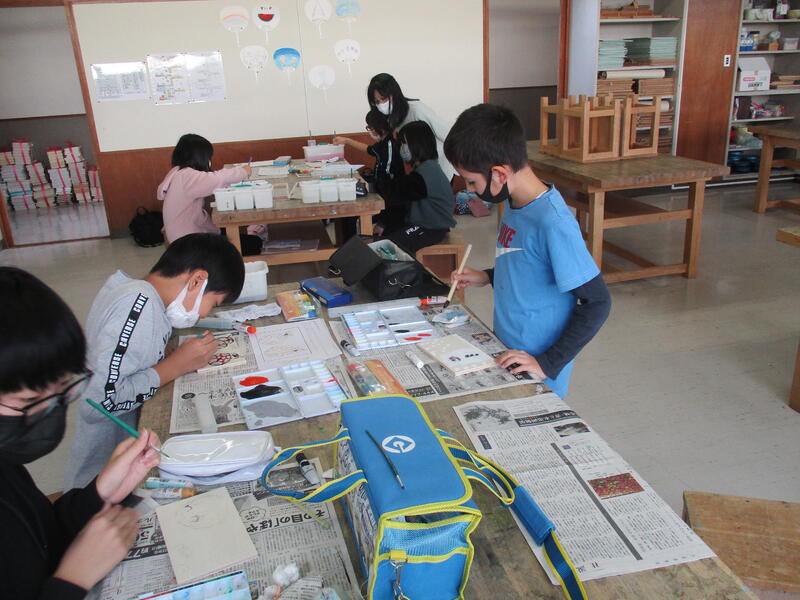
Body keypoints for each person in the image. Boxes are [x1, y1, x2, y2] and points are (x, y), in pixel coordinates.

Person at [0, 266, 161, 599]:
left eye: (63, 391)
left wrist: (99, 493)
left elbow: (40, 537)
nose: (51, 412)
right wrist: (72, 579)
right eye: (29, 402)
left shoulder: (7, 466)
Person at [444, 104, 611, 398]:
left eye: (471, 181)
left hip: (537, 366)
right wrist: (487, 276)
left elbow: (597, 301)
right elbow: (527, 263)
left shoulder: (553, 223)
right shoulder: (513, 202)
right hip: (507, 350)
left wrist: (547, 362)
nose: (469, 189)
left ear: (499, 173)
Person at [65, 233, 245, 489]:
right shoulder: (138, 305)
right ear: (197, 280)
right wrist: (175, 366)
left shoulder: (138, 293)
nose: (205, 314)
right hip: (104, 482)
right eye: (213, 303)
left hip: (124, 461)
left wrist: (164, 355)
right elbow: (98, 404)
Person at [158, 133, 262, 255]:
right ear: (201, 157)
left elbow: (211, 182)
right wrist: (244, 171)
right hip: (190, 244)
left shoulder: (177, 172)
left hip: (183, 237)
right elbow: (218, 178)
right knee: (254, 243)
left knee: (238, 236)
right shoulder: (187, 176)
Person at [378, 120, 455, 253]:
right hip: (426, 225)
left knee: (385, 248)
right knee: (386, 235)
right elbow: (401, 198)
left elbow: (394, 192)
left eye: (404, 143)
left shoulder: (426, 174)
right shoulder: (427, 168)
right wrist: (383, 223)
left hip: (430, 229)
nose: (402, 147)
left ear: (417, 144)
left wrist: (371, 187)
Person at [367, 73, 456, 181]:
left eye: (383, 98)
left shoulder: (417, 110)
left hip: (440, 167)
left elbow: (448, 134)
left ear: (394, 94)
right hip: (421, 168)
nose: (381, 104)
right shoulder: (392, 118)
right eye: (377, 101)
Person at [333, 109, 405, 237]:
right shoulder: (383, 143)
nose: (370, 131)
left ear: (380, 127)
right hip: (382, 195)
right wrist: (347, 141)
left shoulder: (390, 146)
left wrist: (383, 222)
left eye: (370, 128)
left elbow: (390, 187)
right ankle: (346, 244)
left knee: (350, 215)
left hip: (390, 204)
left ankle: (353, 245)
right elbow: (369, 150)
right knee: (346, 214)